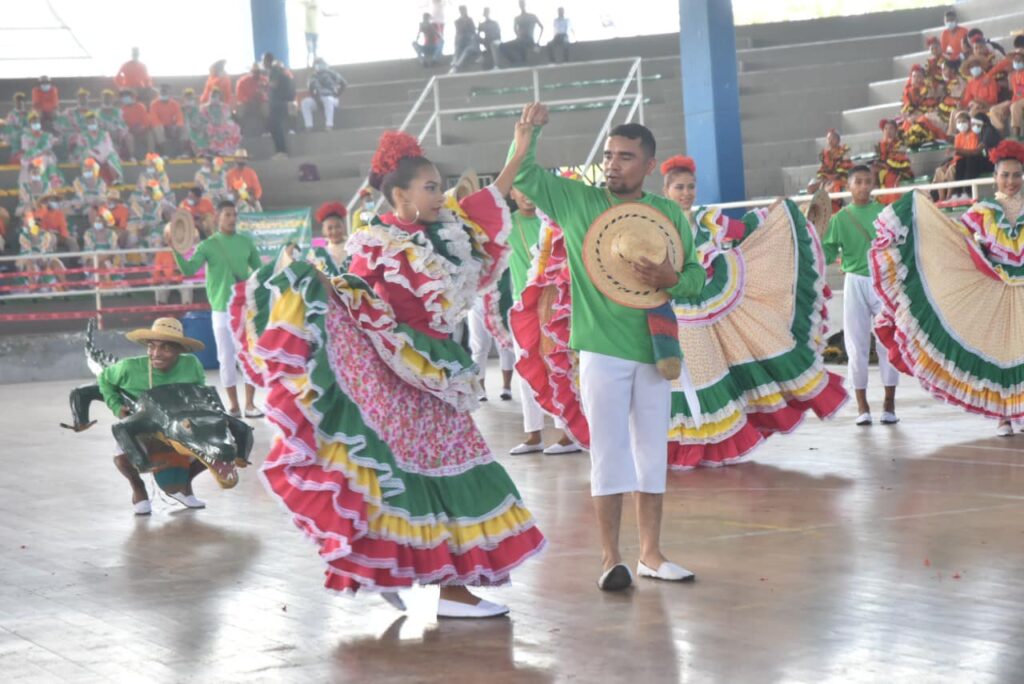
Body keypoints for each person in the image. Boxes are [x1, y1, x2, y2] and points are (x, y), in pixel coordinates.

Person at [228, 125, 544, 617]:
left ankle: (395, 572)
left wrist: (519, 148)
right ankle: (448, 588)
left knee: (415, 474)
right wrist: (312, 288)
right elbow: (357, 301)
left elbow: (490, 201)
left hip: (437, 368)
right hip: (401, 371)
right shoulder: (376, 242)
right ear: (400, 194)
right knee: (430, 468)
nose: (442, 195)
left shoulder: (447, 231)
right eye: (431, 187)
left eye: (440, 186)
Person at [511, 103, 705, 591]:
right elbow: (526, 176)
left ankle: (652, 555)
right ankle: (610, 559)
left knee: (652, 454)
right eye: (608, 155)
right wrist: (527, 133)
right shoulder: (577, 201)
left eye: (624, 156)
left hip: (658, 351)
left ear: (646, 164)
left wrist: (673, 278)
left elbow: (699, 277)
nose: (613, 164)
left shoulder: (668, 215)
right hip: (600, 350)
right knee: (609, 455)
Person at [657, 155, 847, 467]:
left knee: (713, 370)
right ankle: (685, 447)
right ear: (666, 190)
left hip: (708, 306)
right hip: (673, 308)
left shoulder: (707, 220)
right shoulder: (656, 223)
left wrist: (775, 214)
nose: (687, 193)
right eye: (679, 187)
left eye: (691, 186)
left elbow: (743, 229)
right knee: (687, 378)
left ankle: (704, 448)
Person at [871, 141, 1024, 436]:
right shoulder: (984, 211)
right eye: (1005, 175)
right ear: (995, 177)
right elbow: (956, 239)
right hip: (996, 293)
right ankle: (1004, 415)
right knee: (1002, 352)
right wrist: (922, 211)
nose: (1011, 181)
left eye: (1017, 175)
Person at [97, 318, 209, 514]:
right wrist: (116, 406)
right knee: (122, 458)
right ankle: (138, 487)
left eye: (165, 348)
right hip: (142, 424)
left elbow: (200, 394)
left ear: (179, 350)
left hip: (178, 423)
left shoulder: (192, 365)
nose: (156, 354)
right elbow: (104, 379)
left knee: (221, 450)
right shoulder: (129, 368)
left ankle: (183, 485)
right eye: (152, 346)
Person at [822, 165, 899, 426]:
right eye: (858, 182)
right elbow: (828, 253)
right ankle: (862, 406)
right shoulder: (840, 218)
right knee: (855, 345)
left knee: (888, 342)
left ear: (873, 184)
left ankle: (889, 404)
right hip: (854, 282)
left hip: (883, 281)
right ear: (849, 186)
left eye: (868, 182)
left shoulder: (885, 213)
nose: (864, 187)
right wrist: (813, 237)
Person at [505, 186, 579, 455]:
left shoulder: (552, 218)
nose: (527, 195)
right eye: (520, 190)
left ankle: (566, 434)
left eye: (530, 189)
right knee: (526, 369)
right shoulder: (505, 225)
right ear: (511, 193)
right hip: (521, 303)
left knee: (556, 365)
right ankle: (533, 434)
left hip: (552, 303)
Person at [173, 200, 263, 418]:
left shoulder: (245, 242)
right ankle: (233, 405)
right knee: (226, 358)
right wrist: (176, 249)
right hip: (221, 310)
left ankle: (250, 405)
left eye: (234, 215)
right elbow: (188, 269)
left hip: (245, 309)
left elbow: (259, 271)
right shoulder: (207, 246)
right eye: (227, 215)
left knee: (250, 357)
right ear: (217, 218)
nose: (232, 219)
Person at [808, 128, 853, 211]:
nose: (830, 141)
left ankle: (836, 206)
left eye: (833, 138)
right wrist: (824, 176)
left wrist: (832, 176)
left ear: (838, 140)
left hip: (840, 177)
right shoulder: (825, 153)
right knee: (811, 185)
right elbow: (822, 169)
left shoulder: (844, 151)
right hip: (827, 178)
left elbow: (846, 167)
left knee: (834, 185)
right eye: (829, 139)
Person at [74, 112, 124, 184]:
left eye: (93, 122)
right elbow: (81, 149)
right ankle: (90, 182)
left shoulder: (104, 134)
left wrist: (102, 154)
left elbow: (108, 146)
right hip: (90, 155)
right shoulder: (82, 135)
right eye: (89, 123)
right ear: (87, 124)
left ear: (97, 122)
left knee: (112, 156)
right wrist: (92, 153)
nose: (92, 124)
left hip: (104, 154)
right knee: (87, 158)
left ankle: (116, 180)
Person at [874, 118, 913, 204]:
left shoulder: (900, 143)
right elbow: (881, 159)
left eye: (891, 128)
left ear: (896, 130)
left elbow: (901, 161)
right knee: (873, 171)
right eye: (886, 129)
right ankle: (878, 198)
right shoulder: (881, 144)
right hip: (885, 168)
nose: (888, 131)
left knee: (889, 176)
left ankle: (891, 201)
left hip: (899, 170)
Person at [301, 58, 347, 130]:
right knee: (305, 102)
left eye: (320, 64)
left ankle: (329, 125)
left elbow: (344, 84)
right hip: (319, 99)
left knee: (328, 99)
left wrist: (337, 94)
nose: (318, 66)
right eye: (316, 65)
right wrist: (317, 98)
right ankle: (309, 125)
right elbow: (311, 91)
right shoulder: (312, 77)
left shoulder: (333, 74)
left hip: (331, 98)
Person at [988, 49, 1024, 139]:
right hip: (1016, 99)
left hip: (1020, 100)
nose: (1016, 62)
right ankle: (1001, 136)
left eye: (1019, 60)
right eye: (1015, 60)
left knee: (1014, 106)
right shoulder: (1013, 75)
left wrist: (1013, 103)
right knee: (993, 110)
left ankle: (1016, 135)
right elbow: (1015, 93)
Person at [264, 53, 294, 158]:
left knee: (277, 128)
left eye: (263, 61)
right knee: (275, 127)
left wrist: (266, 85)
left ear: (267, 61)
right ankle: (280, 151)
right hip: (281, 102)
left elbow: (274, 84)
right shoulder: (280, 71)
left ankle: (281, 151)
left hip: (277, 103)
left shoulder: (274, 71)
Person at [200, 87, 241, 155]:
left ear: (219, 97)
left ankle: (224, 150)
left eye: (216, 96)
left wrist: (221, 125)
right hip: (209, 126)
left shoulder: (225, 106)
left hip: (222, 126)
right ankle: (208, 150)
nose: (214, 97)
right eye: (212, 95)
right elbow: (202, 119)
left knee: (235, 127)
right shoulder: (204, 107)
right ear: (209, 96)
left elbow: (226, 118)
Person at [149, 84, 185, 158]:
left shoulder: (175, 104)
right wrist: (162, 126)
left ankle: (181, 152)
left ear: (169, 94)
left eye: (166, 93)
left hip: (171, 126)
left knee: (183, 128)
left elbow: (180, 117)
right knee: (158, 129)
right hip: (159, 126)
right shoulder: (154, 104)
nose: (164, 94)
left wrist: (177, 126)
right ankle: (163, 153)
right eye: (162, 92)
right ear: (159, 93)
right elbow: (154, 119)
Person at [120, 89, 153, 160]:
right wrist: (130, 129)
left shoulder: (140, 106)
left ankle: (151, 155)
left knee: (150, 135)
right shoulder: (122, 109)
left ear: (133, 97)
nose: (125, 98)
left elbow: (146, 121)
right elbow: (123, 123)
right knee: (128, 137)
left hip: (142, 130)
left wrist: (142, 127)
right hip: (130, 131)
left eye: (127, 96)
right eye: (123, 97)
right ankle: (133, 156)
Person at [97, 89, 131, 157]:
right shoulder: (96, 112)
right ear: (101, 99)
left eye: (109, 97)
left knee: (129, 136)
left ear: (112, 99)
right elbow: (94, 126)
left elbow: (123, 125)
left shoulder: (119, 111)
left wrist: (118, 131)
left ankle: (130, 157)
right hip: (102, 135)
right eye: (105, 97)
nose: (107, 99)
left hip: (116, 135)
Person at [508, 1, 543, 65]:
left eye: (522, 4)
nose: (521, 5)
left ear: (524, 4)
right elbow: (514, 29)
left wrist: (538, 41)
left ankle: (519, 61)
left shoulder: (532, 16)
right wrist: (518, 35)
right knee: (502, 46)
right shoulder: (517, 18)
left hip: (529, 40)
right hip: (521, 40)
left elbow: (541, 27)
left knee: (519, 46)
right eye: (520, 4)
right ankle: (516, 61)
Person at [234, 63, 268, 127]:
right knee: (240, 108)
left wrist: (262, 95)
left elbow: (269, 94)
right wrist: (251, 98)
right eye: (255, 71)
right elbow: (239, 97)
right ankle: (240, 130)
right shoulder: (242, 81)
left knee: (267, 107)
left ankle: (267, 128)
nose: (257, 73)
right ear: (251, 72)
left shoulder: (265, 80)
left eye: (258, 71)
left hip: (262, 102)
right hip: (247, 103)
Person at [449, 6, 480, 73]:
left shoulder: (469, 19)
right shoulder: (457, 21)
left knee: (467, 50)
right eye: (461, 10)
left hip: (471, 42)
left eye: (464, 10)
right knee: (458, 45)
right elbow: (458, 32)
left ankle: (456, 66)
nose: (463, 12)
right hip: (462, 41)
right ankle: (454, 61)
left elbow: (473, 31)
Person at [180, 88, 209, 155]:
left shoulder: (199, 109)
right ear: (184, 100)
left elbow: (204, 120)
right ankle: (187, 152)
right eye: (187, 98)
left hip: (197, 129)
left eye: (191, 98)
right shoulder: (180, 109)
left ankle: (201, 152)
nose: (189, 100)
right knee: (186, 130)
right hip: (185, 129)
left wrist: (201, 126)